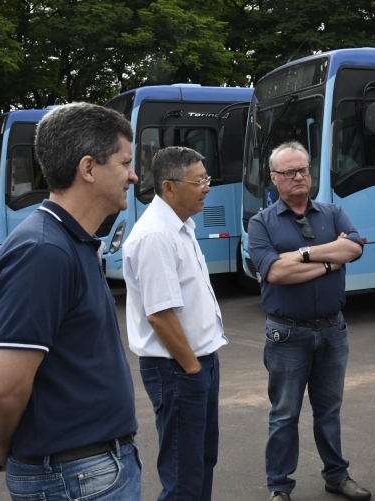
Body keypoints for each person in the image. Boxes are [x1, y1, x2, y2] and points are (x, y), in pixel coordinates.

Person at [0, 103, 141, 498]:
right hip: (76, 478)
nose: (134, 175)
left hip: (82, 472)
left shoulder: (65, 242)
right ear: (88, 168)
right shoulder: (44, 252)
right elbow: (2, 389)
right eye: (125, 162)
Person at [247, 141, 370, 501]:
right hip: (287, 334)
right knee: (284, 414)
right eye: (289, 172)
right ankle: (280, 487)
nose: (299, 176)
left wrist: (303, 254)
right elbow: (275, 273)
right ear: (274, 179)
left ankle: (337, 475)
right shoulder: (261, 222)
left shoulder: (332, 212)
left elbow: (355, 248)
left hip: (333, 329)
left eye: (303, 170)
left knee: (329, 411)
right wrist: (332, 258)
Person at [123, 147, 228, 501]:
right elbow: (160, 315)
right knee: (183, 473)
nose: (207, 187)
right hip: (177, 368)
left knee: (201, 460)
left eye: (207, 179)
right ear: (169, 187)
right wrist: (193, 369)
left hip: (198, 362)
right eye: (199, 181)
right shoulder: (155, 235)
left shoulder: (180, 226)